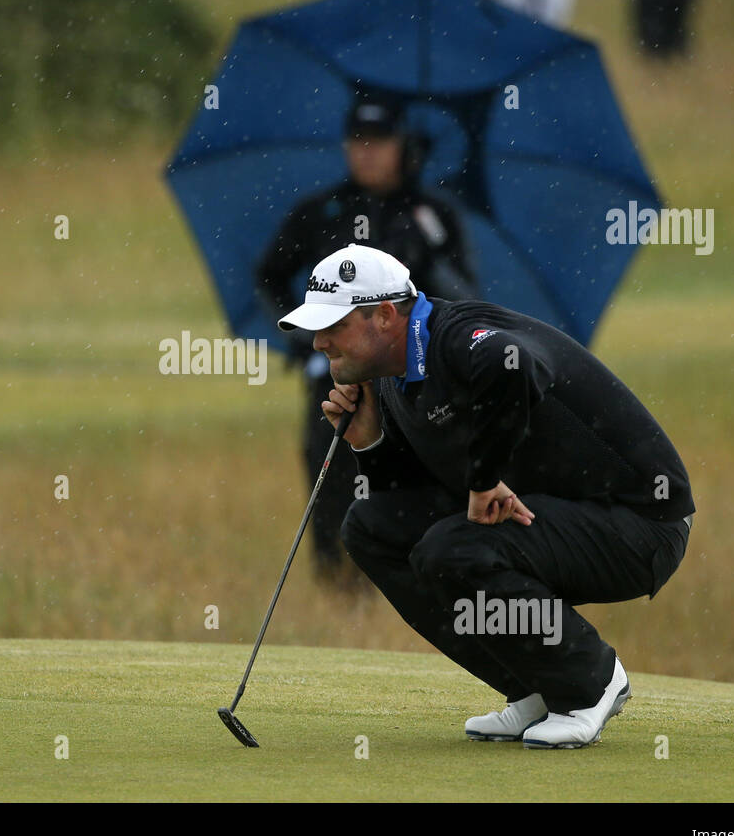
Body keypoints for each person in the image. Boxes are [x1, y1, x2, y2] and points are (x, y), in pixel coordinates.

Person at [276, 244, 695, 748]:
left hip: (642, 522)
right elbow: (407, 502)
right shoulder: (390, 380)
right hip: (551, 518)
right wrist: (372, 443)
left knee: (452, 549)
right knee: (371, 527)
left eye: (334, 326)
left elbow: (509, 366)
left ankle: (591, 682)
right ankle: (537, 687)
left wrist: (482, 480)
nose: (319, 341)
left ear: (385, 315)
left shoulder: (454, 337)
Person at [256, 90, 476, 590]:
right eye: (358, 140)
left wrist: (434, 249)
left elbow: (462, 297)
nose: (367, 151)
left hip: (413, 386)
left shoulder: (431, 216)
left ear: (405, 146)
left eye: (379, 140)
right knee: (332, 490)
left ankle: (409, 592)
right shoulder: (320, 211)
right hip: (335, 381)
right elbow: (269, 275)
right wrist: (301, 342)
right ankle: (339, 597)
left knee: (412, 494)